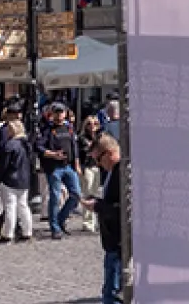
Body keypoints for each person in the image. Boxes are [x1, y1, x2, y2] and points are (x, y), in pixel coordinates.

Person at [82, 134, 124, 304]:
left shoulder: (122, 173)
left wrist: (97, 206)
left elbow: (123, 209)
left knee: (112, 294)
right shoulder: (112, 172)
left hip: (119, 242)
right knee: (110, 291)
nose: (98, 164)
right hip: (112, 241)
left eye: (99, 159)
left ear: (110, 153)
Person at [37, 103, 81, 238]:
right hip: (54, 168)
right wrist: (52, 154)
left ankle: (61, 219)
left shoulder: (69, 128)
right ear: (52, 114)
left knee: (76, 194)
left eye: (61, 112)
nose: (59, 115)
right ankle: (55, 228)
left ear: (65, 114)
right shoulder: (47, 129)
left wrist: (77, 163)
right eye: (56, 112)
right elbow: (39, 147)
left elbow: (74, 146)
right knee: (55, 197)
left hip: (69, 166)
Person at [0, 121, 33, 244]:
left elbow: (2, 165)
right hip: (24, 179)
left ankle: (8, 234)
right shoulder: (26, 144)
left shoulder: (9, 145)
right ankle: (27, 232)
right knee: (23, 206)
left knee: (10, 207)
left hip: (10, 179)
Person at [78, 116, 103, 232]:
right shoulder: (82, 138)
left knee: (95, 194)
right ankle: (87, 222)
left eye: (95, 123)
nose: (92, 126)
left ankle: (95, 221)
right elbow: (79, 154)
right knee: (88, 194)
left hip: (97, 167)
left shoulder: (100, 137)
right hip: (87, 167)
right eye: (89, 123)